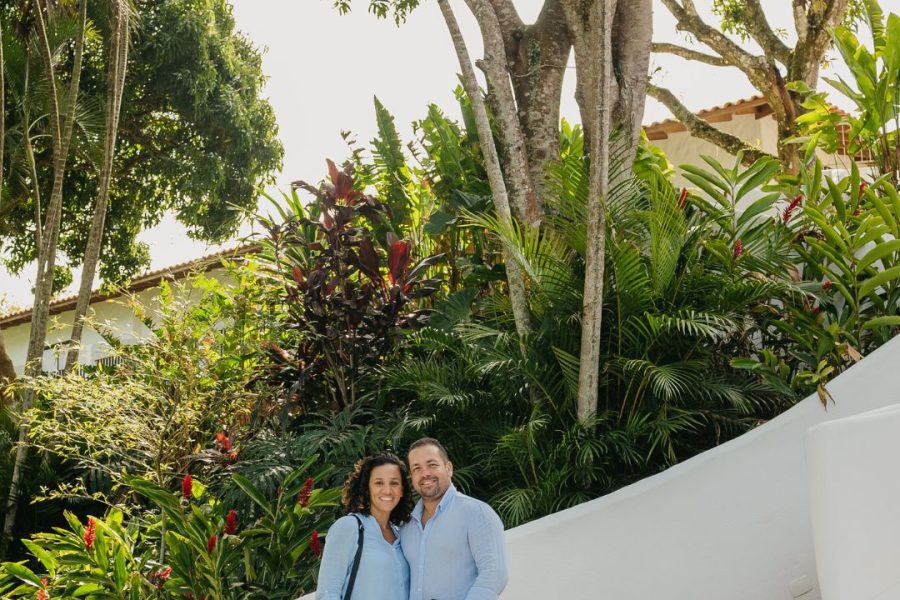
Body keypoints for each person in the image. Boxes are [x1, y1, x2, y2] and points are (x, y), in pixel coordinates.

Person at [401, 437, 508, 600]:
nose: (425, 474)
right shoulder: (406, 526)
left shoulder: (476, 513)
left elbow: (494, 575)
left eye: (432, 465)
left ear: (448, 468)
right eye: (417, 468)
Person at [316, 453, 413, 600]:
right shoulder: (348, 527)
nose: (387, 490)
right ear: (367, 489)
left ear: (402, 490)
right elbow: (327, 592)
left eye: (394, 483)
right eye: (379, 483)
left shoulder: (401, 533)